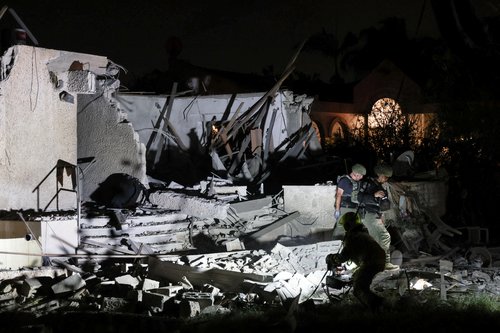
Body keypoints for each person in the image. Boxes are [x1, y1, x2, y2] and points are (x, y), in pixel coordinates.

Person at [325, 212, 385, 311]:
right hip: (377, 260)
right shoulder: (363, 233)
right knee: (359, 282)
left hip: (370, 262)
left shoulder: (352, 237)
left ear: (348, 225)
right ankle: (377, 306)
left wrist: (331, 258)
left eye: (345, 225)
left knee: (358, 289)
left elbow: (343, 257)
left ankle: (380, 306)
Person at [358, 163, 399, 270]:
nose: (386, 180)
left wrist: (381, 213)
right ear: (380, 175)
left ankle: (373, 263)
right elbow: (359, 198)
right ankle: (384, 263)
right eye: (385, 177)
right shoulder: (367, 183)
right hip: (368, 214)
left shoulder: (379, 186)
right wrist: (374, 195)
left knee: (376, 241)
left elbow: (382, 204)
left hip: (375, 215)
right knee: (385, 237)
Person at [333, 163, 366, 239]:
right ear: (356, 174)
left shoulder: (357, 183)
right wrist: (337, 210)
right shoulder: (344, 180)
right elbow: (339, 195)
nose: (361, 177)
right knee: (340, 228)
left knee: (354, 229)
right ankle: (335, 245)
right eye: (361, 175)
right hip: (345, 207)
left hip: (354, 208)